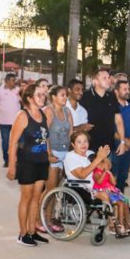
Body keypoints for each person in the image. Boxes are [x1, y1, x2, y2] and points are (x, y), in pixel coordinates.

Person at [6, 83, 51, 247]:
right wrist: (12, 166)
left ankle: (33, 231)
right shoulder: (23, 116)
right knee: (26, 197)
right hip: (27, 162)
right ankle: (23, 234)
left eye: (43, 94)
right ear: (29, 98)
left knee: (36, 197)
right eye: (38, 95)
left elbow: (45, 138)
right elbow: (13, 142)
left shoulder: (43, 114)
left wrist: (49, 154)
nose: (42, 97)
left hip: (42, 162)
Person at [43, 85, 73, 233]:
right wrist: (49, 154)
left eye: (66, 95)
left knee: (57, 190)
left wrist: (71, 155)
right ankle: (42, 219)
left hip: (64, 153)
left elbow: (71, 134)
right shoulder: (48, 111)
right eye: (62, 95)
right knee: (50, 189)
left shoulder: (67, 112)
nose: (65, 97)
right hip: (53, 153)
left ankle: (49, 217)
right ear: (53, 97)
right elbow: (45, 134)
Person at [80, 69, 126, 157]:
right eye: (104, 78)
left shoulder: (112, 96)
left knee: (107, 170)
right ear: (96, 81)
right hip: (88, 147)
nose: (108, 80)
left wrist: (122, 142)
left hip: (108, 147)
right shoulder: (85, 96)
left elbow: (119, 121)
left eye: (108, 78)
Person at [92, 156, 130, 237]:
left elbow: (114, 183)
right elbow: (99, 182)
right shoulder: (97, 173)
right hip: (103, 192)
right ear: (100, 165)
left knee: (126, 202)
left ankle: (128, 224)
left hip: (112, 191)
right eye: (106, 165)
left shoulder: (108, 173)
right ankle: (121, 225)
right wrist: (104, 173)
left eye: (108, 166)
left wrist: (110, 174)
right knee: (121, 204)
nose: (108, 167)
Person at [0, 73, 21, 168]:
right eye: (13, 80)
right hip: (4, 121)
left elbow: (23, 102)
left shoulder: (18, 90)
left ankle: (16, 159)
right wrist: (2, 109)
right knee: (5, 141)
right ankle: (7, 160)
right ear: (7, 81)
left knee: (17, 142)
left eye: (15, 80)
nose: (14, 82)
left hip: (17, 122)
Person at [112, 80, 130, 191]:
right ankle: (111, 203)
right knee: (113, 175)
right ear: (116, 91)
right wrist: (124, 141)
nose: (128, 92)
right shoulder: (111, 107)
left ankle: (120, 201)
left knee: (123, 175)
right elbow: (111, 129)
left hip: (129, 147)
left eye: (128, 89)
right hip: (115, 146)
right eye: (124, 89)